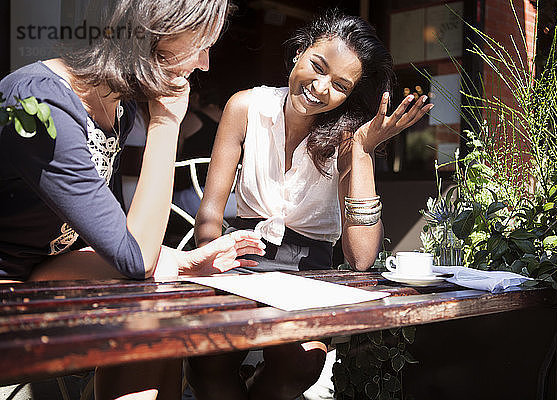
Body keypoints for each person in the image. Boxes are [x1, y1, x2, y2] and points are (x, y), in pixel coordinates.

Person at [0, 0, 265, 399]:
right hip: (12, 291)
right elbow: (133, 257)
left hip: (43, 276)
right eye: (201, 43)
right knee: (148, 311)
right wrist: (165, 123)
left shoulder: (114, 106)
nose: (206, 63)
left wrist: (180, 261)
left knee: (161, 316)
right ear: (154, 28)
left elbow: (113, 240)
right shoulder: (37, 103)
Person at [186, 9, 433, 400]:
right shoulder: (244, 108)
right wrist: (211, 263)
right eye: (316, 67)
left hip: (309, 273)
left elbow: (361, 258)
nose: (320, 87)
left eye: (340, 85)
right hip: (238, 260)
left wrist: (363, 152)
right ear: (300, 50)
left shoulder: (349, 136)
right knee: (207, 362)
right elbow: (211, 215)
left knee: (299, 364)